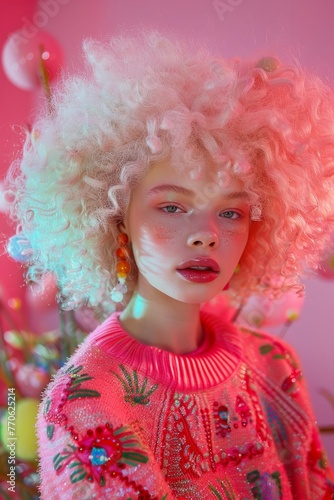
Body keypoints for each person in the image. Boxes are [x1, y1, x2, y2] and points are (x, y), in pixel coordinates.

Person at [5, 31, 334, 499]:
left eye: (231, 212)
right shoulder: (83, 404)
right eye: (172, 207)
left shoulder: (275, 366)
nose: (207, 234)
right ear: (116, 220)